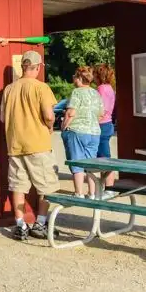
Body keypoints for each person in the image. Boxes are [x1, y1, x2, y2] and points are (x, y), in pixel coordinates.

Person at [0, 50, 60, 240]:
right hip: (38, 143)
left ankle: (20, 224)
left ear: (22, 66)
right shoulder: (41, 88)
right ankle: (40, 223)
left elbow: (3, 118)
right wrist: (50, 126)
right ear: (38, 67)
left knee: (18, 185)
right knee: (46, 186)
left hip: (15, 144)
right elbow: (49, 115)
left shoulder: (9, 89)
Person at [61, 66, 104, 199]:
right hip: (94, 132)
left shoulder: (77, 92)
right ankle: (92, 193)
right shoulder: (96, 93)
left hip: (77, 131)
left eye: (75, 76)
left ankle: (78, 192)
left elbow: (71, 113)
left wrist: (64, 127)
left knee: (76, 162)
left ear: (80, 78)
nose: (73, 79)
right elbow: (101, 114)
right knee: (91, 163)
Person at [95, 64, 117, 189]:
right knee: (103, 156)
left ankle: (109, 187)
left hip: (101, 124)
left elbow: (100, 109)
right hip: (108, 123)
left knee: (104, 157)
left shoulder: (101, 89)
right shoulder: (110, 88)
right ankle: (106, 186)